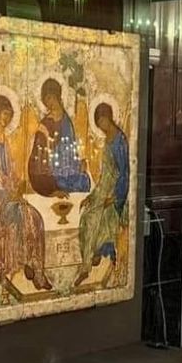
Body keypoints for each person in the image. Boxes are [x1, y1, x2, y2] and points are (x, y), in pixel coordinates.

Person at [0, 94, 52, 291]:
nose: (7, 118)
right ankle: (14, 267)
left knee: (36, 218)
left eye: (9, 114)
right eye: (4, 113)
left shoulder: (4, 141)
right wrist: (8, 196)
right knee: (18, 215)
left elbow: (11, 174)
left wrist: (20, 185)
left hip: (9, 198)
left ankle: (35, 267)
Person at [73, 103, 129, 287]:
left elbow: (124, 174)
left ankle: (88, 265)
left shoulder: (120, 141)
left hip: (115, 193)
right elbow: (105, 174)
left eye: (101, 121)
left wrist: (115, 197)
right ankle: (90, 259)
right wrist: (92, 196)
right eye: (98, 124)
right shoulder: (108, 140)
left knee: (94, 220)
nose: (101, 126)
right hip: (103, 190)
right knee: (86, 217)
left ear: (108, 117)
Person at [28, 78, 91, 197]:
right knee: (62, 184)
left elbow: (71, 152)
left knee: (84, 181)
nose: (48, 103)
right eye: (46, 100)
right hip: (53, 175)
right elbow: (38, 159)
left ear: (57, 95)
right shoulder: (45, 124)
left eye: (50, 97)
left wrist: (79, 164)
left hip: (69, 171)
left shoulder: (67, 121)